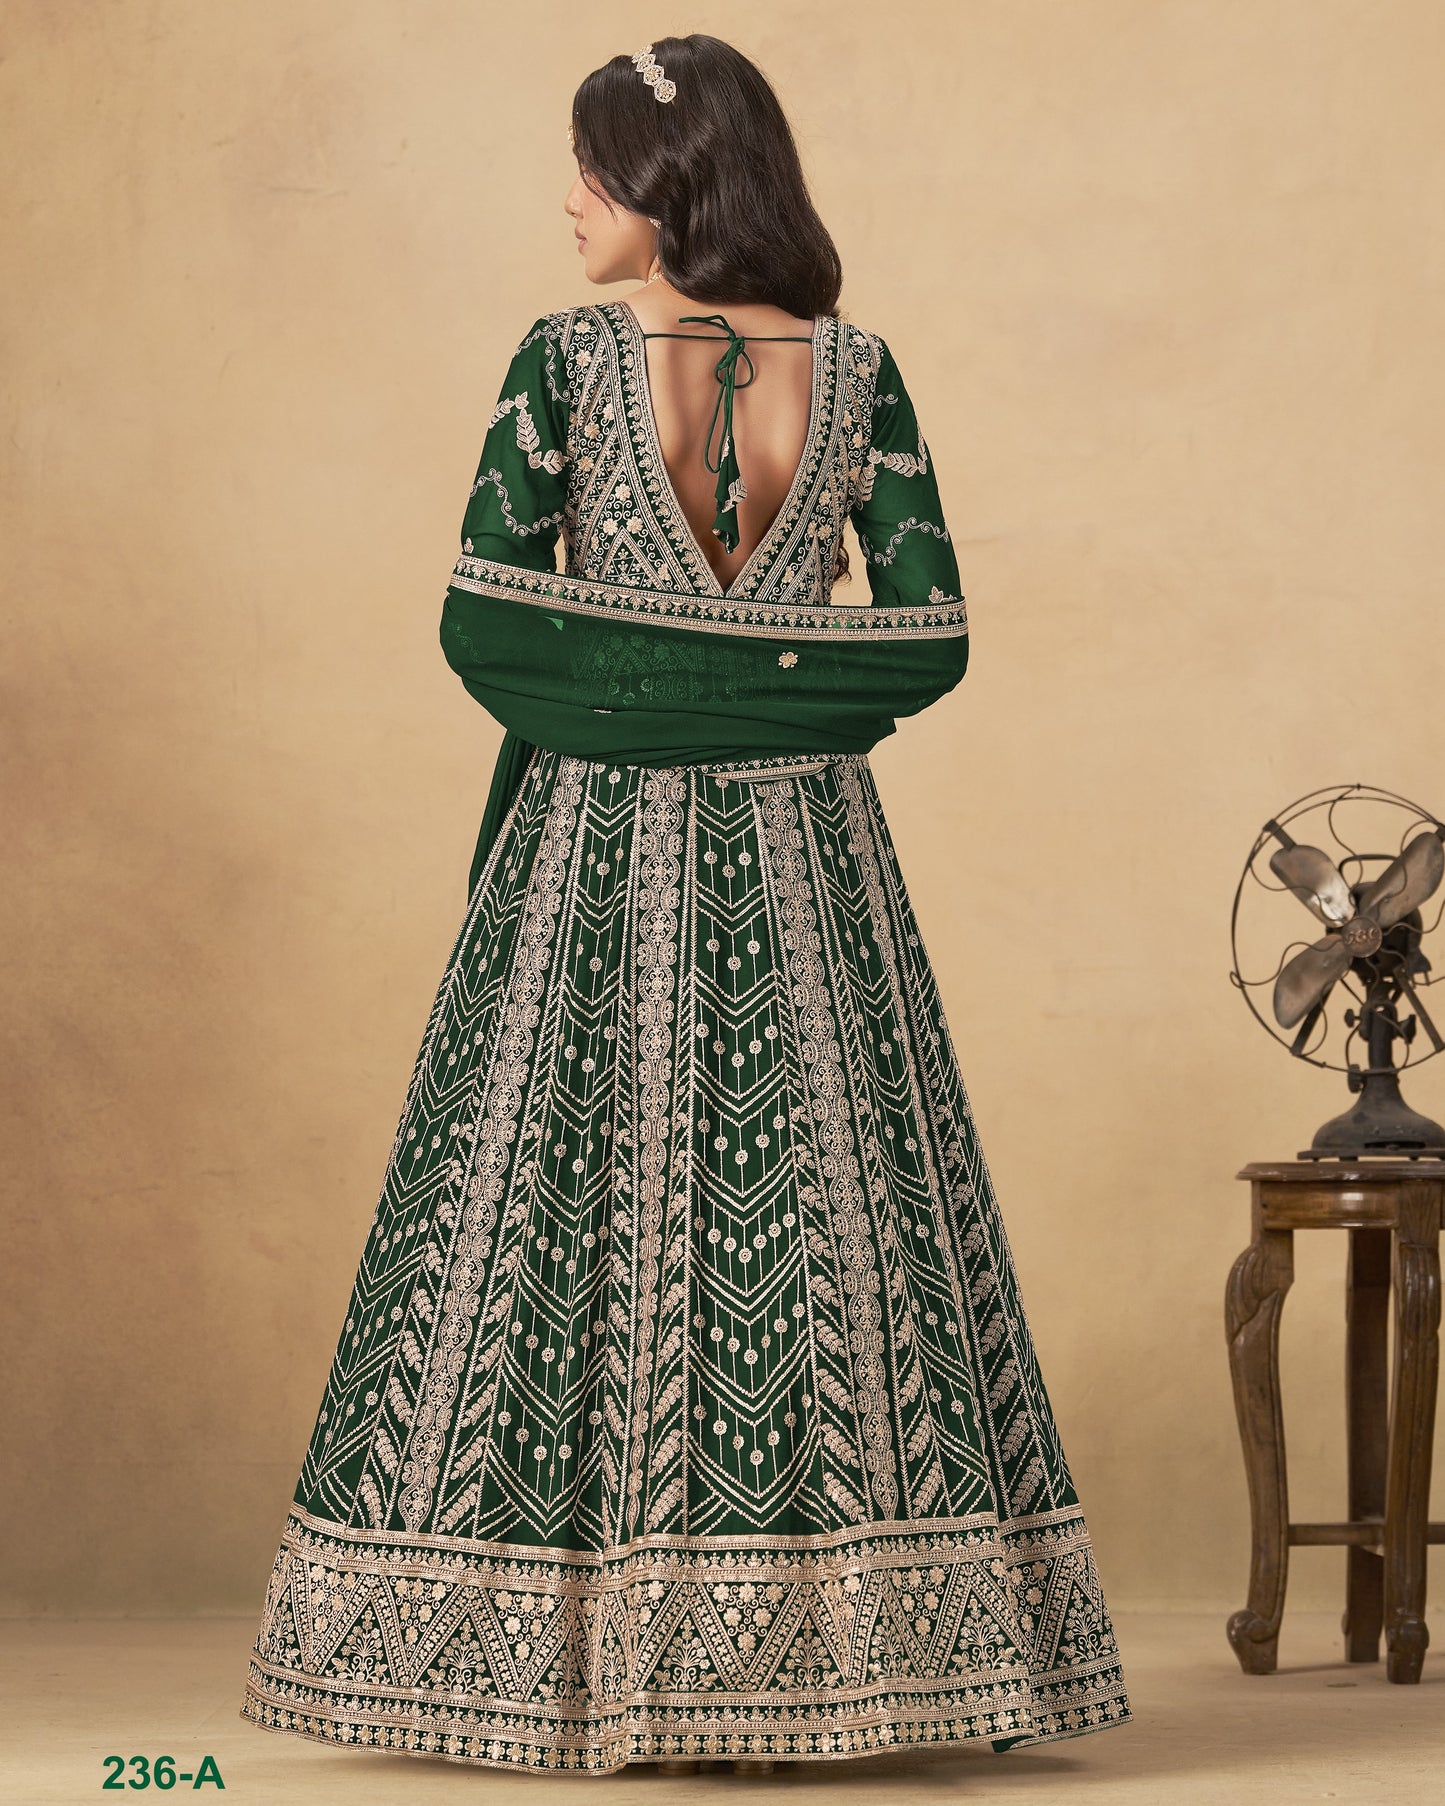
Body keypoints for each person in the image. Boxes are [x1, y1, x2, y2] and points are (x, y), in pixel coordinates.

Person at [240, 33, 1132, 1777]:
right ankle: (847, 1665)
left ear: (665, 181)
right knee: (832, 1210)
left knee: (554, 1202)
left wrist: (634, 698)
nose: (566, 197)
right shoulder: (856, 371)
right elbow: (917, 637)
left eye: (589, 166)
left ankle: (544, 1660)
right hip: (811, 843)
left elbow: (494, 628)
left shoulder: (569, 360)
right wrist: (766, 695)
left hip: (594, 839)